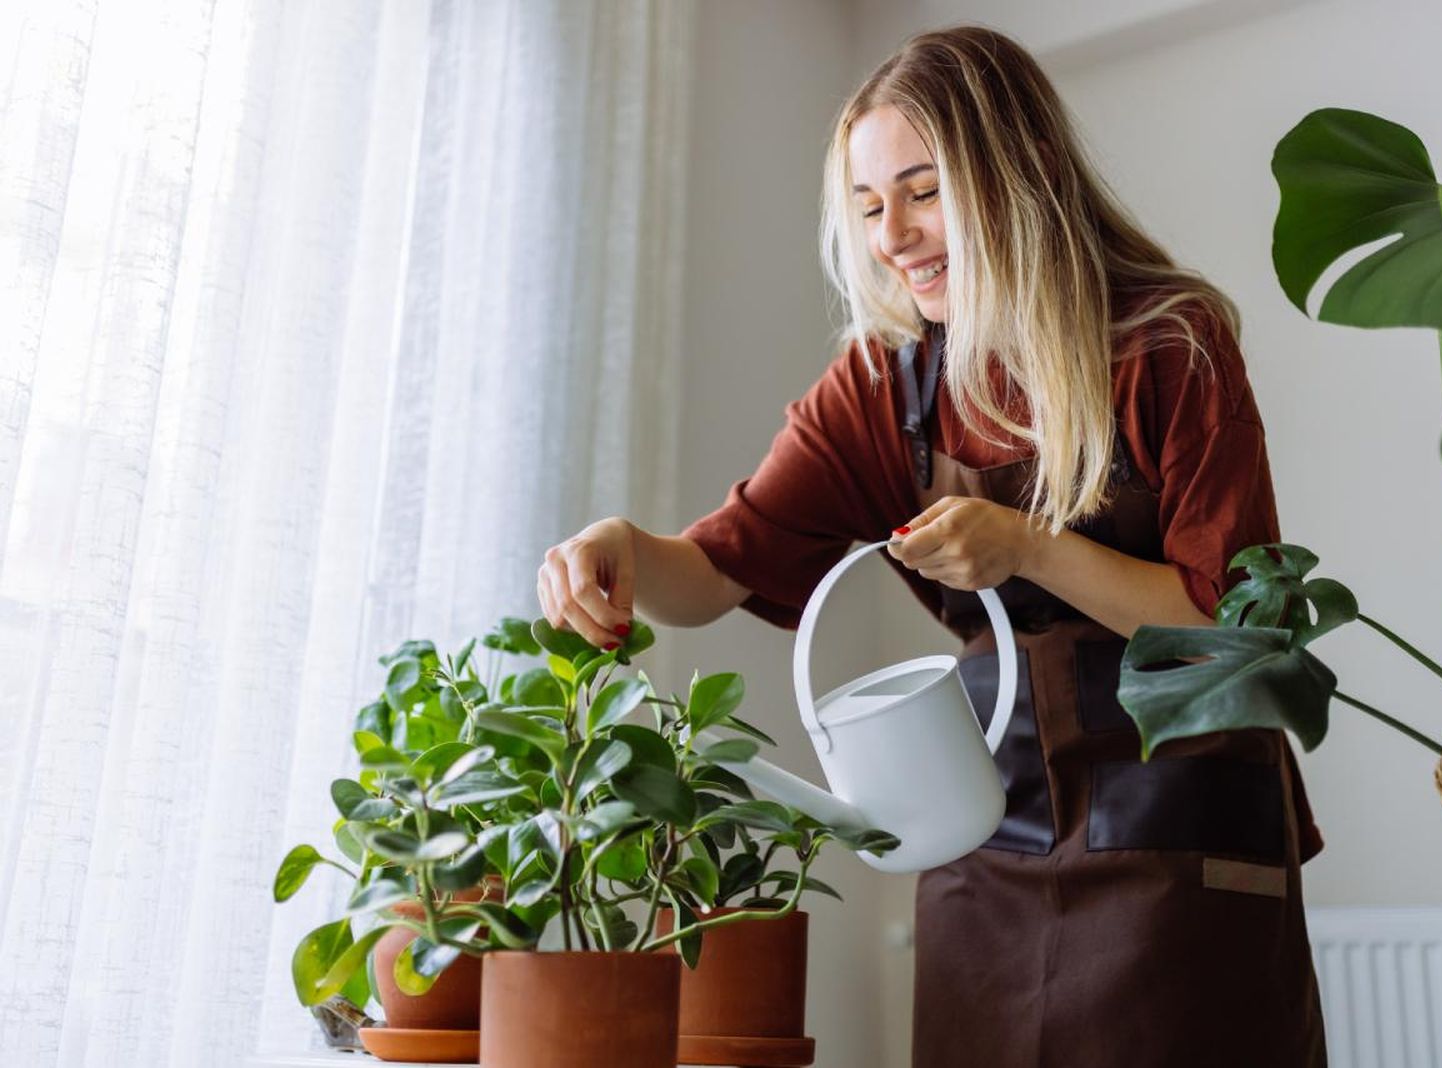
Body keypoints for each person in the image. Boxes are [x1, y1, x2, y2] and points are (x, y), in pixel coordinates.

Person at [537, 25, 1327, 1068]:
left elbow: (1230, 631)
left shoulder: (1167, 345)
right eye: (868, 207)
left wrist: (1030, 548)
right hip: (984, 838)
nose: (892, 236)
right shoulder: (880, 388)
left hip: (1182, 843)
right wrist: (622, 550)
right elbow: (713, 569)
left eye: (921, 191)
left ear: (1019, 172)